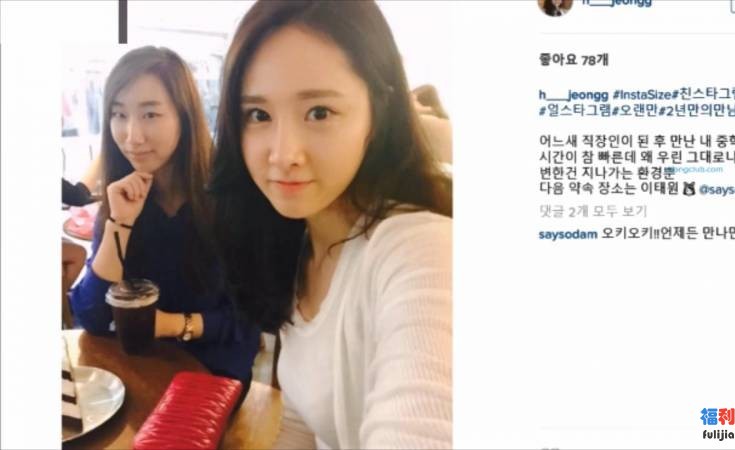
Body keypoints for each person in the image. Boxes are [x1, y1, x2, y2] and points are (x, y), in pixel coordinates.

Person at [209, 1, 452, 448]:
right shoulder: (298, 243)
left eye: (319, 112)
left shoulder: (422, 249)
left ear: (378, 113)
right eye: (259, 115)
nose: (283, 154)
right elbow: (303, 424)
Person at [69, 46, 260, 393]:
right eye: (119, 114)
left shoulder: (232, 198)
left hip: (211, 378)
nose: (132, 136)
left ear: (185, 116)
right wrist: (120, 223)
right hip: (136, 375)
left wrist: (167, 325)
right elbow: (92, 316)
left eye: (150, 114)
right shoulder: (122, 194)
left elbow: (247, 324)